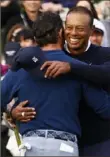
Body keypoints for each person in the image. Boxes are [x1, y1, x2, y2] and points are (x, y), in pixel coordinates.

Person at [2, 11, 110, 156]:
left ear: (35, 36)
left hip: (31, 146)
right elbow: (105, 108)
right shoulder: (75, 67)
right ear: (61, 32)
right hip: (65, 147)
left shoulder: (22, 65)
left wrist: (11, 111)